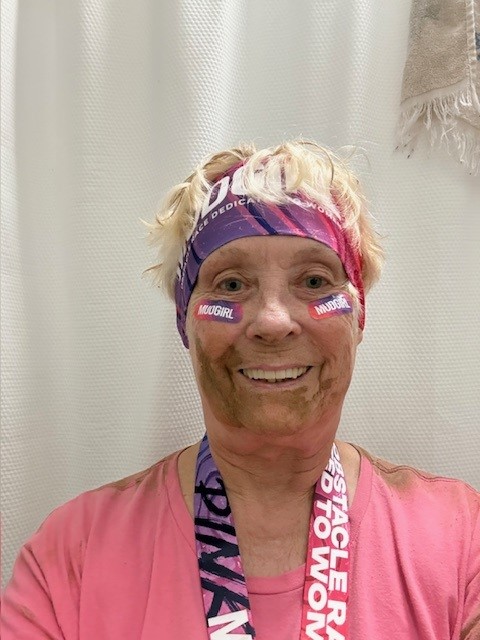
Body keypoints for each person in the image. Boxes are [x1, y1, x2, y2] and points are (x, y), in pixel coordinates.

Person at [1, 140, 479, 640]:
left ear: (358, 316)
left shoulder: (460, 539)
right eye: (231, 284)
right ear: (186, 322)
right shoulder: (72, 556)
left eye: (315, 281)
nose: (272, 321)